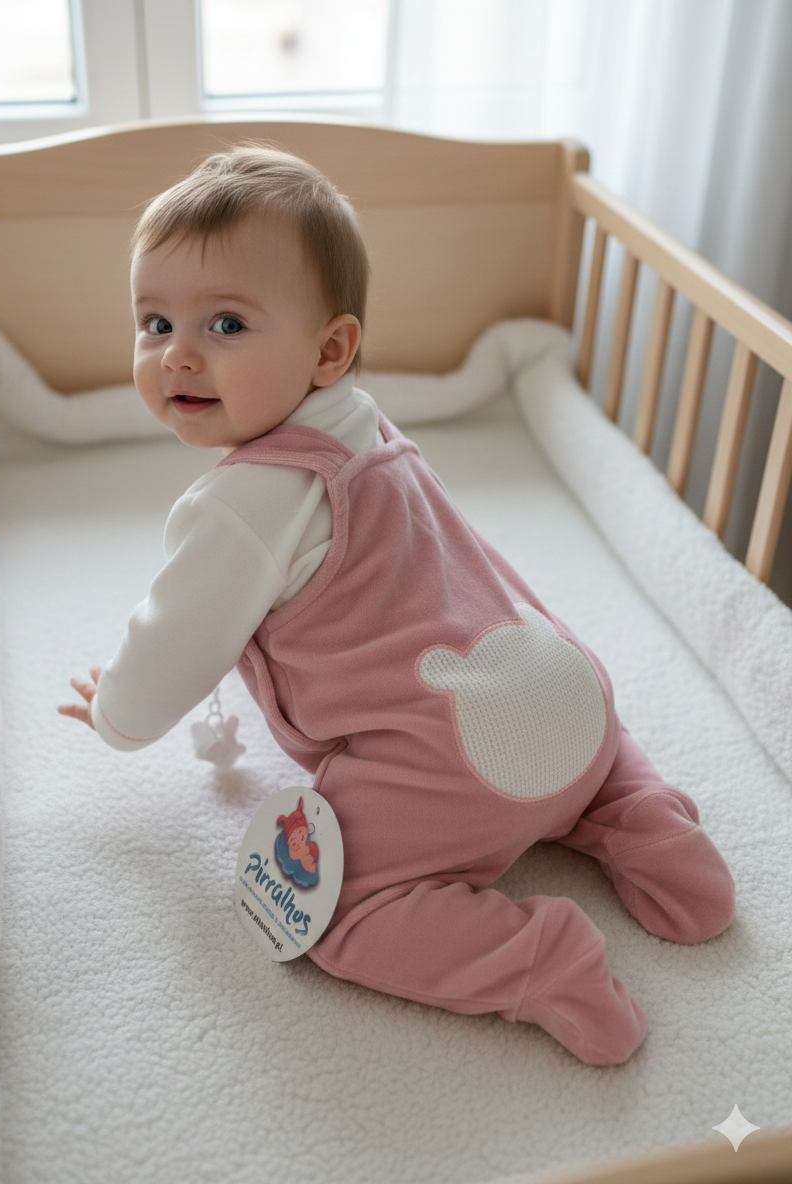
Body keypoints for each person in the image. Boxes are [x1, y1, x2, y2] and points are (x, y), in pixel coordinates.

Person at [59, 146, 735, 1065]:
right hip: (567, 689)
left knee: (331, 908)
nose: (176, 353)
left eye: (225, 323)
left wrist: (113, 710)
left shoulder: (242, 506)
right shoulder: (361, 421)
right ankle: (640, 816)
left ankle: (539, 960)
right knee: (576, 744)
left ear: (329, 349)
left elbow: (171, 646)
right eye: (153, 321)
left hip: (458, 771)